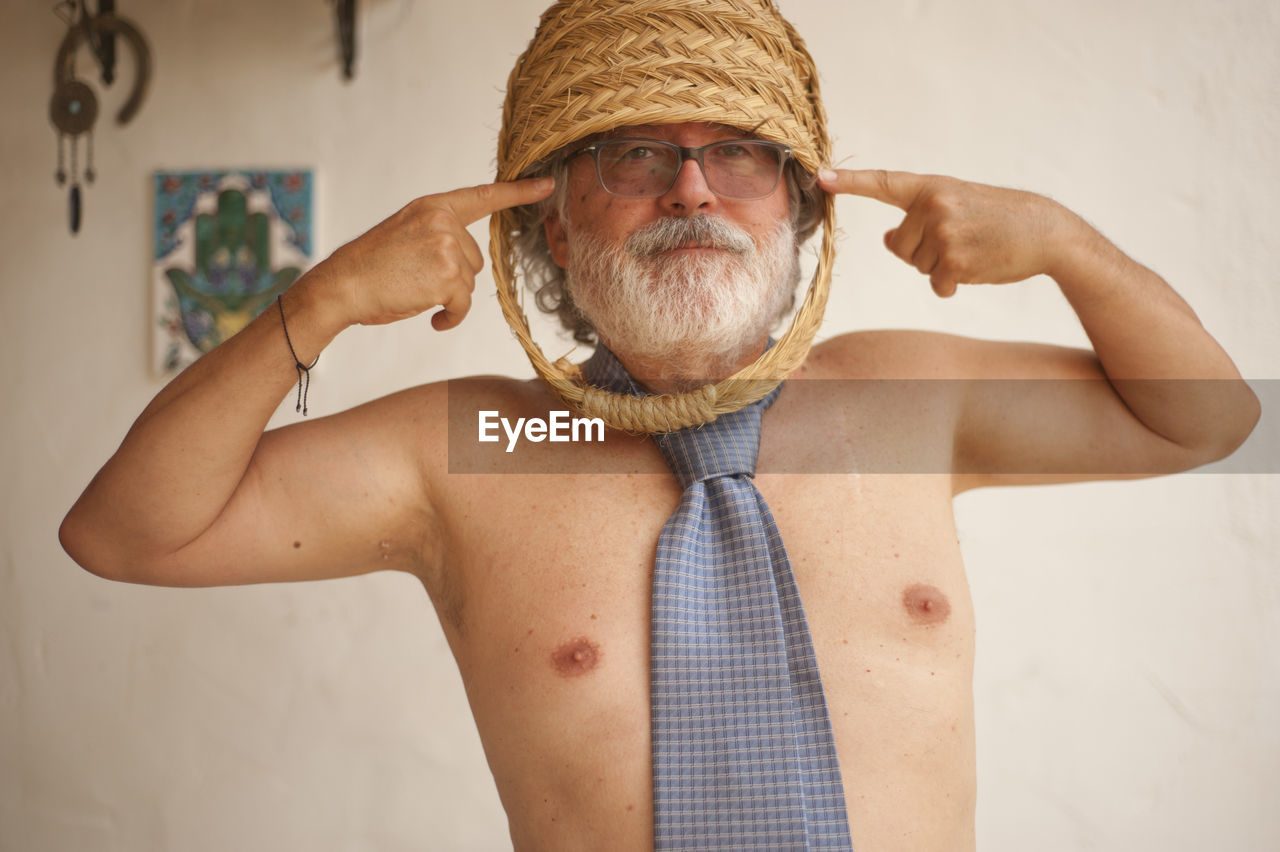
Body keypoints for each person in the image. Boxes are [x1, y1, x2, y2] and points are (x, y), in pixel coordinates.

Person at [59, 1, 1259, 850]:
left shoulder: (897, 406)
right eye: (634, 155)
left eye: (736, 154)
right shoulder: (485, 449)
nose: (690, 189)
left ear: (797, 212)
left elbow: (1206, 423)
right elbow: (126, 536)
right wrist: (313, 307)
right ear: (553, 227)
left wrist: (1064, 245)